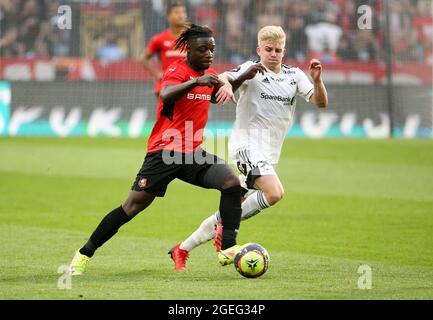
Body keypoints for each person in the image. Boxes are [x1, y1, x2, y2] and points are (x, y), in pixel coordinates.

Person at [68, 24, 244, 275]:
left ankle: (227, 247)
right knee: (132, 207)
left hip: (192, 153)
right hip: (164, 152)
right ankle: (84, 253)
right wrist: (196, 81)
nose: (209, 54)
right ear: (188, 51)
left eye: (212, 49)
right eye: (202, 49)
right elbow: (166, 93)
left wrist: (236, 81)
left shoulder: (210, 75)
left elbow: (217, 97)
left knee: (231, 183)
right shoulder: (177, 70)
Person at [170, 25, 328, 270]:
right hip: (246, 147)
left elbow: (320, 102)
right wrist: (224, 84)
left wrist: (317, 81)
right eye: (268, 49)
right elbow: (225, 76)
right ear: (259, 50)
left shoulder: (294, 75)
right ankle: (227, 230)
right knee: (274, 193)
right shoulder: (250, 69)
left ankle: (181, 249)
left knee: (231, 208)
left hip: (269, 154)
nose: (273, 54)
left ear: (284, 51)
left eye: (278, 50)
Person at [141, 1, 188, 96]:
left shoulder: (191, 38)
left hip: (186, 85)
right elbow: (144, 58)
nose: (181, 15)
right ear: (168, 16)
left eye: (183, 12)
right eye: (177, 12)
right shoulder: (159, 38)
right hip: (166, 86)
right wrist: (157, 74)